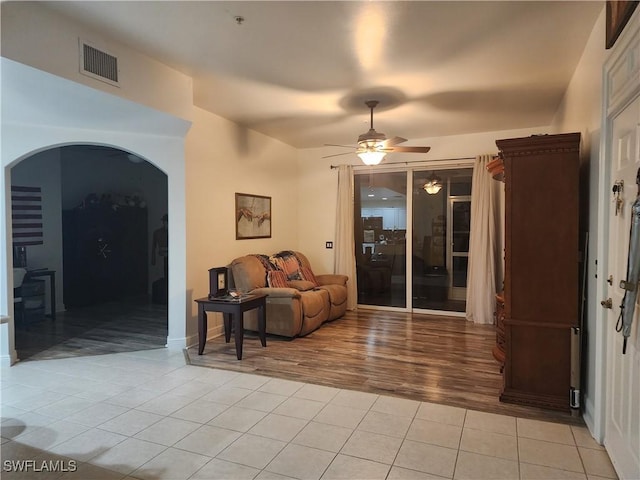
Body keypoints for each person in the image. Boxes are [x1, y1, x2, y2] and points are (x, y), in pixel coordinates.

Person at [151, 214, 168, 279]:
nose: (166, 223)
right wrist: (153, 259)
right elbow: (154, 246)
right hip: (163, 254)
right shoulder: (158, 232)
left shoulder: (174, 232)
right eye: (165, 222)